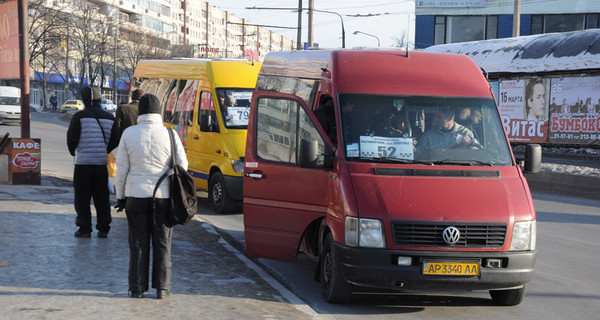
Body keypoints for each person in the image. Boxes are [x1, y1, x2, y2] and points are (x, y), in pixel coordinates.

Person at [114, 93, 188, 299]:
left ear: (141, 112)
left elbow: (121, 169)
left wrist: (120, 196)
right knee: (163, 242)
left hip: (135, 196)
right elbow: (183, 165)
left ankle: (137, 288)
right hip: (163, 197)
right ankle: (162, 288)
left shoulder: (129, 133)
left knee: (138, 242)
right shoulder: (171, 134)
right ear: (159, 111)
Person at [66, 86, 120, 238]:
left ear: (84, 99)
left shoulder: (79, 117)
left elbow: (72, 139)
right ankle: (103, 228)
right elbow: (115, 140)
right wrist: (104, 149)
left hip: (83, 164)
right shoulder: (110, 118)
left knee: (82, 198)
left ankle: (84, 229)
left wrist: (74, 152)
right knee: (102, 198)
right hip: (101, 164)